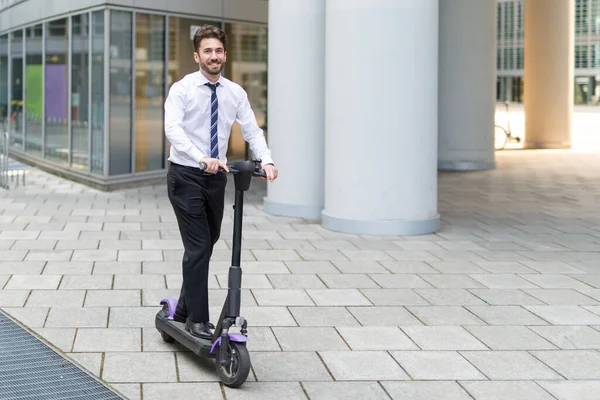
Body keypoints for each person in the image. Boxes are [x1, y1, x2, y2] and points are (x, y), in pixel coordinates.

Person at [164, 24, 278, 339]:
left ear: (224, 55)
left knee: (207, 244)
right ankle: (198, 320)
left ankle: (184, 309)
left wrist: (266, 159)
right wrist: (200, 155)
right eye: (207, 51)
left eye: (218, 51)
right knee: (199, 247)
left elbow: (252, 130)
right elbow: (173, 130)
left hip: (217, 180)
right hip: (186, 175)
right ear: (196, 56)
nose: (213, 56)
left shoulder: (234, 93)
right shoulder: (182, 89)